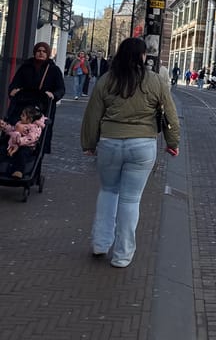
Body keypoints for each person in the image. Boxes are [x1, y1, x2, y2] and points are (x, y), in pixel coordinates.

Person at [81, 37, 180, 269]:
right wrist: (172, 142)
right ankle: (122, 255)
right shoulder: (155, 81)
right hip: (143, 145)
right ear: (142, 56)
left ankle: (100, 243)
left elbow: (92, 114)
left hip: (110, 143)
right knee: (130, 200)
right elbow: (171, 116)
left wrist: (89, 143)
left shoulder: (106, 80)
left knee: (108, 192)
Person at [7, 42, 65, 151]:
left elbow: (61, 89)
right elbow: (15, 82)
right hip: (22, 107)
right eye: (39, 51)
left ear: (47, 53)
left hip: (41, 109)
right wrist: (13, 91)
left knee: (37, 140)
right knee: (16, 132)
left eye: (44, 51)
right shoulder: (26, 67)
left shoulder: (53, 70)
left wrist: (53, 94)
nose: (41, 53)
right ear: (35, 52)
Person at [0, 105, 47, 178]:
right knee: (3, 149)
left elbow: (31, 138)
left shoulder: (34, 128)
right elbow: (13, 130)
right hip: (13, 144)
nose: (20, 116)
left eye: (23, 115)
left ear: (30, 119)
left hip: (26, 146)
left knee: (22, 154)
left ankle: (18, 171)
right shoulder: (19, 123)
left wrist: (20, 140)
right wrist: (5, 126)